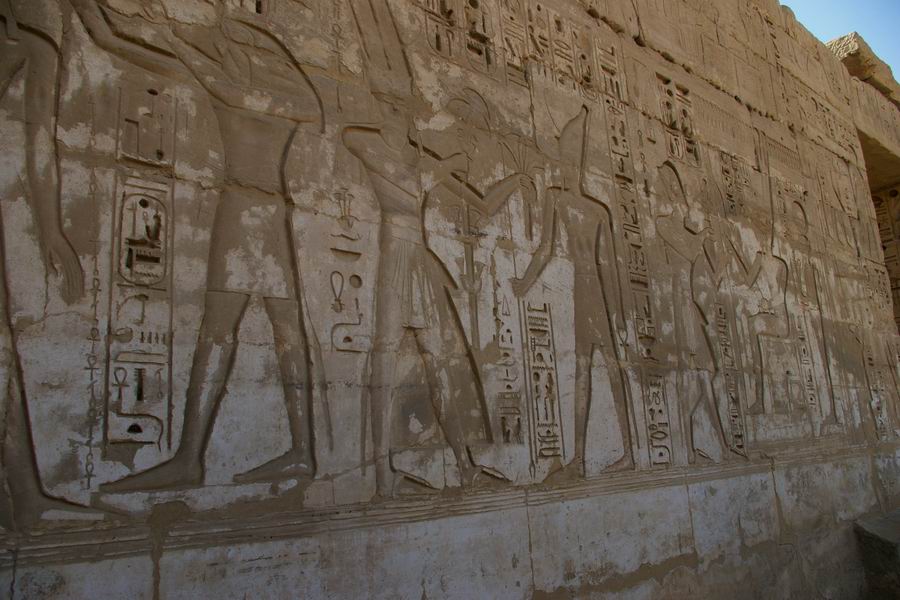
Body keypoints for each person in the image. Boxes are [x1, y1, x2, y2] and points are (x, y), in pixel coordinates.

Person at [71, 0, 328, 491]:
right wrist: (100, 18)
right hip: (259, 211)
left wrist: (175, 38)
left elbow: (237, 89)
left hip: (251, 214)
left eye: (234, 42)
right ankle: (238, 454)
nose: (223, 48)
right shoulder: (251, 86)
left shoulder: (275, 95)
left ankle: (234, 455)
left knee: (239, 329)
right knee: (258, 330)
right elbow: (114, 40)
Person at [0, 0, 88, 529]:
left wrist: (52, 231)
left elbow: (39, 142)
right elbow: (38, 144)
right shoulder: (30, 40)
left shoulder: (29, 40)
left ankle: (25, 492)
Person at [513, 106, 634, 477]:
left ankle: (614, 454)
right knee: (592, 369)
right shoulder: (570, 203)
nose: (564, 169)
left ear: (576, 165)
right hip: (586, 291)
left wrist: (620, 313)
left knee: (604, 368)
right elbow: (550, 250)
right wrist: (525, 283)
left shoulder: (585, 207)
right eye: (562, 162)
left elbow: (608, 265)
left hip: (591, 291)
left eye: (568, 162)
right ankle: (584, 457)